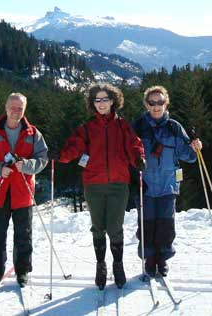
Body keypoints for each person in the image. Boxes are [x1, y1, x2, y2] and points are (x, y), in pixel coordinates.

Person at [57, 83, 145, 290]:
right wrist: (60, 156)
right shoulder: (86, 128)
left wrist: (138, 157)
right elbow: (73, 147)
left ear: (113, 101)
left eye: (105, 99)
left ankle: (118, 264)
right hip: (93, 184)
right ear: (92, 103)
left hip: (118, 184)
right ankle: (100, 265)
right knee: (98, 227)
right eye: (97, 100)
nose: (101, 103)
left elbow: (134, 144)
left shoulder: (122, 126)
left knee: (115, 227)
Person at [0, 92, 48, 290]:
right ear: (6, 107)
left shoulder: (33, 133)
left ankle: (22, 271)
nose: (16, 112)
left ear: (24, 110)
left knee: (23, 235)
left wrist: (26, 165)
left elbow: (42, 158)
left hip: (23, 192)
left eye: (20, 108)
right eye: (13, 107)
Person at [133, 85, 202, 277]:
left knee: (165, 224)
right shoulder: (138, 126)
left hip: (168, 184)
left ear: (166, 103)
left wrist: (195, 147)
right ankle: (149, 258)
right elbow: (128, 152)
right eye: (152, 102)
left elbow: (188, 156)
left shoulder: (174, 127)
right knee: (146, 223)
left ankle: (162, 258)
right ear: (146, 104)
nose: (156, 106)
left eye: (160, 102)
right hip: (145, 186)